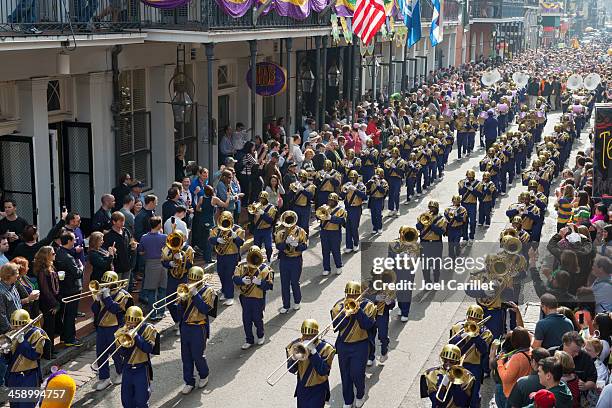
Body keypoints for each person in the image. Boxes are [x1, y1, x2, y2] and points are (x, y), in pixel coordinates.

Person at [331, 281, 376, 408]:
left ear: (360, 294)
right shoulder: (338, 307)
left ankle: (360, 394)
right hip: (344, 345)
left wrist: (357, 311)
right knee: (345, 375)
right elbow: (336, 327)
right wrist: (346, 315)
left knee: (357, 373)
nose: (351, 297)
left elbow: (367, 325)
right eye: (349, 294)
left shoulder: (368, 306)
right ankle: (348, 400)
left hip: (360, 345)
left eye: (355, 294)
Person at [177, 266, 216, 395]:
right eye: (189, 279)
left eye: (194, 279)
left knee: (197, 355)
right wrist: (181, 301)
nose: (191, 282)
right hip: (186, 327)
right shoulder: (184, 289)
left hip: (199, 327)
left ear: (200, 279)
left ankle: (204, 375)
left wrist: (195, 294)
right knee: (186, 356)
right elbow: (180, 312)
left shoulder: (208, 291)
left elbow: (205, 309)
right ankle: (189, 381)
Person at [91, 271, 133, 391]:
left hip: (115, 328)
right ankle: (104, 378)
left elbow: (115, 309)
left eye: (108, 282)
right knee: (101, 354)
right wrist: (97, 299)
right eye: (104, 282)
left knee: (116, 353)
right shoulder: (101, 293)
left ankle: (121, 372)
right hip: (101, 328)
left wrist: (107, 297)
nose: (104, 285)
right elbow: (94, 310)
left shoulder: (124, 295)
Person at [1, 309, 49, 404]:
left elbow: (34, 355)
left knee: (26, 404)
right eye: (13, 325)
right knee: (15, 405)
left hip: (28, 376)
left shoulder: (37, 334)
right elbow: (8, 360)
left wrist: (22, 342)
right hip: (13, 376)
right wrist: (5, 353)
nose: (14, 328)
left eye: (17, 326)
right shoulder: (10, 334)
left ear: (24, 324)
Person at [449, 305, 492, 408]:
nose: (472, 321)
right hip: (458, 363)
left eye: (476, 319)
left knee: (473, 394)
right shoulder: (457, 327)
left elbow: (484, 350)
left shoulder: (486, 333)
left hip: (474, 366)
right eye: (470, 317)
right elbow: (451, 345)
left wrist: (476, 336)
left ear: (480, 319)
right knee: (455, 392)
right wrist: (463, 335)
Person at [286, 319, 335, 408]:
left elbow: (323, 371)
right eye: (304, 335)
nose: (306, 338)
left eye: (310, 335)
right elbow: (291, 369)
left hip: (318, 388)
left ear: (316, 335)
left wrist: (313, 352)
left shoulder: (327, 348)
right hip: (302, 388)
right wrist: (293, 357)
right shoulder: (295, 345)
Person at [233, 246, 274, 350]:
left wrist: (260, 283)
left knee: (257, 319)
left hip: (258, 298)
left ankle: (260, 335)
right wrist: (242, 280)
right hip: (245, 298)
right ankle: (249, 340)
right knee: (246, 320)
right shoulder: (242, 267)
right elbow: (235, 278)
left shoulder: (265, 269)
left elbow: (270, 285)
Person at [119, 306, 160, 408]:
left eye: (132, 322)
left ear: (139, 321)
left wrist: (136, 336)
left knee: (141, 400)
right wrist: (124, 341)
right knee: (126, 400)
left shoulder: (148, 329)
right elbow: (122, 353)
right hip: (127, 368)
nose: (129, 325)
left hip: (141, 368)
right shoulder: (122, 330)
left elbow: (148, 348)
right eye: (127, 322)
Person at [420, 344, 475, 408]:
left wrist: (456, 382)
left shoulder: (467, 376)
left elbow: (461, 403)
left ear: (458, 361)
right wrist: (443, 384)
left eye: (452, 362)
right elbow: (436, 402)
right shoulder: (432, 374)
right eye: (445, 361)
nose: (448, 364)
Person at [274, 211, 308, 314]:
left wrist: (296, 245)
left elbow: (305, 246)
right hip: (284, 259)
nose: (289, 222)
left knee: (294, 282)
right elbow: (278, 246)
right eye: (287, 220)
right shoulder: (280, 232)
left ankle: (297, 301)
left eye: (290, 220)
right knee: (284, 283)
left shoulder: (301, 231)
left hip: (296, 259)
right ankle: (286, 305)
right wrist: (286, 243)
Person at [54, 231, 84, 347]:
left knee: (65, 314)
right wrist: (81, 267)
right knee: (70, 315)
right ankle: (69, 339)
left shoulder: (59, 253)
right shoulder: (68, 257)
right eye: (73, 240)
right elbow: (77, 273)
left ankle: (64, 337)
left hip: (63, 289)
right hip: (72, 289)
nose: (75, 241)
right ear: (69, 241)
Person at [161, 228, 193, 334]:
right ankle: (177, 320)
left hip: (183, 278)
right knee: (169, 301)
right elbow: (163, 261)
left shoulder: (188, 249)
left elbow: (190, 265)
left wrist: (182, 260)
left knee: (182, 302)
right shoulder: (169, 248)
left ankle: (182, 323)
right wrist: (169, 264)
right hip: (172, 278)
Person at [209, 211, 245, 307]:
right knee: (221, 273)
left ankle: (230, 296)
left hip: (232, 255)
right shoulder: (217, 228)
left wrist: (235, 237)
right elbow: (210, 239)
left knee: (229, 275)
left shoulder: (238, 229)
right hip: (221, 255)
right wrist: (217, 240)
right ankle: (225, 291)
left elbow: (241, 243)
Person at [491, 327, 532, 408]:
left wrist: (500, 363)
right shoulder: (531, 351)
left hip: (510, 393)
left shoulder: (517, 357)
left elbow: (505, 378)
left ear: (515, 342)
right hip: (521, 392)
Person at [547, 332, 598, 397]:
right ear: (565, 344)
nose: (577, 354)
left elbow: (593, 378)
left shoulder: (585, 357)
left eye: (578, 351)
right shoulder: (550, 354)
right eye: (574, 351)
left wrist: (585, 385)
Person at [138, 217, 167, 320]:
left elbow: (141, 252)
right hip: (162, 264)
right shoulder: (164, 237)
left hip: (150, 264)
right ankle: (161, 312)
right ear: (159, 225)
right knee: (162, 289)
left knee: (151, 291)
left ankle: (153, 314)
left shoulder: (144, 237)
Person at [33, 247, 59, 360]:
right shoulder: (42, 271)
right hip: (47, 303)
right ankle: (47, 353)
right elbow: (45, 290)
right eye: (52, 253)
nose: (55, 254)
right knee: (48, 327)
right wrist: (55, 304)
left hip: (53, 299)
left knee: (52, 327)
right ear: (46, 256)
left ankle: (51, 349)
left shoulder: (51, 267)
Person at [103, 212, 137, 291]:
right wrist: (110, 251)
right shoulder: (108, 236)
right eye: (120, 221)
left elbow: (131, 241)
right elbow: (105, 251)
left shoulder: (126, 231)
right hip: (116, 267)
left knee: (125, 290)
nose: (123, 223)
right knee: (116, 290)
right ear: (114, 222)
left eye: (123, 221)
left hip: (127, 265)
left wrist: (133, 246)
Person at [416, 200, 447, 284]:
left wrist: (431, 224)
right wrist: (423, 222)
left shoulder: (441, 218)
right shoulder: (423, 216)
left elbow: (440, 232)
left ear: (437, 209)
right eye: (430, 207)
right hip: (424, 243)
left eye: (433, 208)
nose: (431, 209)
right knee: (425, 265)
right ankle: (427, 282)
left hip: (436, 244)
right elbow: (418, 227)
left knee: (436, 265)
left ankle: (436, 280)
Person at [317, 193, 345, 276]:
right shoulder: (324, 207)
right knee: (325, 251)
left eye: (332, 201)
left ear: (336, 201)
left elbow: (342, 221)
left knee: (335, 250)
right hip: (324, 232)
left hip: (335, 232)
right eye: (329, 200)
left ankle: (339, 266)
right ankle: (326, 268)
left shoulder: (340, 209)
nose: (330, 202)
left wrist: (331, 218)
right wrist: (320, 211)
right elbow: (318, 216)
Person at [341, 170, 367, 253]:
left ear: (357, 177)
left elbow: (364, 197)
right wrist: (345, 191)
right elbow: (341, 196)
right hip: (348, 208)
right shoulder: (347, 184)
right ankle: (349, 246)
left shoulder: (360, 185)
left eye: (354, 177)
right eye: (351, 178)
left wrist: (355, 190)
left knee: (354, 227)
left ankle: (356, 243)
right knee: (348, 227)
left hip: (356, 208)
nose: (352, 179)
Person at [250, 191, 277, 263]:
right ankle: (256, 262)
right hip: (257, 230)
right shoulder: (256, 206)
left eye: (263, 198)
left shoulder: (271, 207)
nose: (261, 200)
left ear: (266, 199)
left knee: (268, 246)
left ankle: (269, 258)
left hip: (267, 230)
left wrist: (262, 213)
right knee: (256, 247)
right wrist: (253, 211)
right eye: (260, 198)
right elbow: (252, 219)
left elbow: (270, 220)